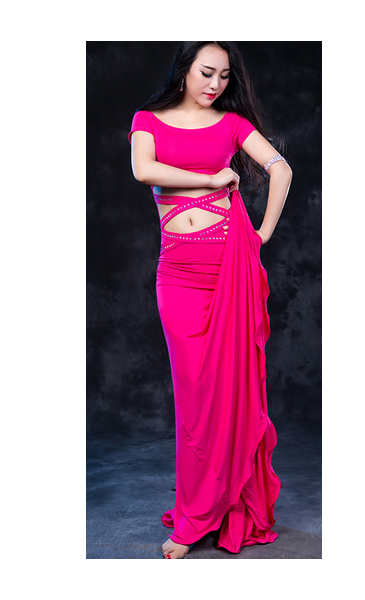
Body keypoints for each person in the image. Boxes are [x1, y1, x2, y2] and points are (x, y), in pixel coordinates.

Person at [128, 42, 292, 559]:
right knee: (194, 394)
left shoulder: (232, 124)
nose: (215, 84)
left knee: (230, 388)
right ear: (184, 71)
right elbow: (144, 171)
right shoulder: (147, 121)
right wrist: (210, 179)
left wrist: (262, 233)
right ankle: (199, 507)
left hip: (228, 265)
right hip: (178, 273)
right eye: (206, 72)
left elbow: (281, 169)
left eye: (224, 76)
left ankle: (209, 514)